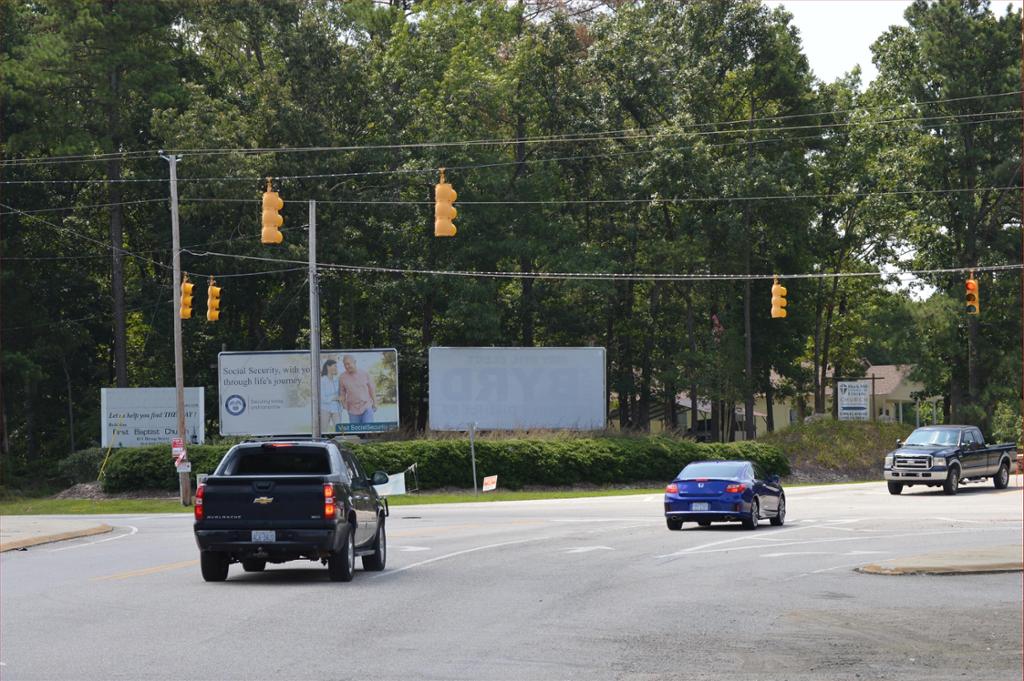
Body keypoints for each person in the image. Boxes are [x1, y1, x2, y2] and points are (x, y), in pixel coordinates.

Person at [339, 354, 377, 424]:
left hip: (366, 407)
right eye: (345, 365)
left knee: (368, 431)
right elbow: (342, 392)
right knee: (356, 433)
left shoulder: (364, 373)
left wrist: (375, 403)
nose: (347, 366)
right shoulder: (342, 377)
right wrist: (343, 404)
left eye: (348, 364)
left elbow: (371, 389)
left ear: (354, 362)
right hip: (352, 410)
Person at [319, 359, 343, 432]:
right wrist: (335, 398)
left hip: (336, 408)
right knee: (323, 430)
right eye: (334, 366)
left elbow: (340, 393)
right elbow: (323, 398)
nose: (336, 368)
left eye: (336, 367)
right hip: (325, 409)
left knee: (339, 430)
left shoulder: (337, 380)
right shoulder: (322, 380)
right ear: (328, 367)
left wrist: (340, 398)